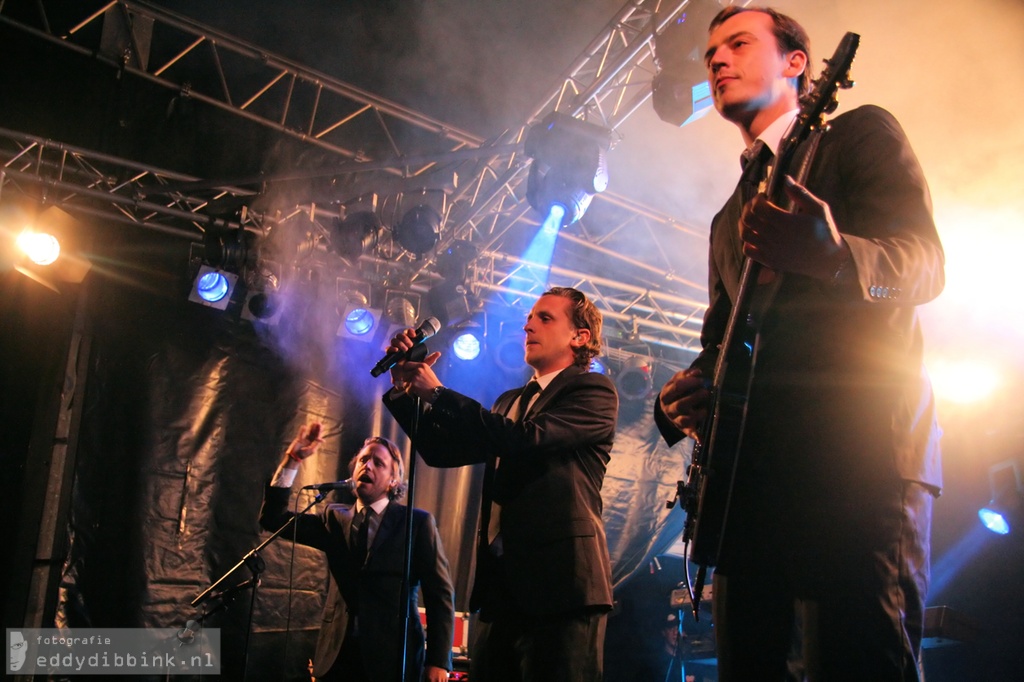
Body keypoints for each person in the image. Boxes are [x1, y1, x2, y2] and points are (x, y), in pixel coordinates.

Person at [653, 6, 944, 681]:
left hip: (861, 466)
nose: (717, 59)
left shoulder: (858, 135)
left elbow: (924, 262)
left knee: (863, 665)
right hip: (753, 489)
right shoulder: (729, 216)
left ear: (796, 63)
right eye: (710, 52)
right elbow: (720, 342)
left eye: (738, 43)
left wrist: (837, 255)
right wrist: (677, 402)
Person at [382, 286, 618, 682]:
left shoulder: (592, 390)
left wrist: (438, 393)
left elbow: (526, 439)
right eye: (529, 317)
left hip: (561, 589)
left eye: (545, 317)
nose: (529, 324)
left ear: (580, 337)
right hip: (500, 592)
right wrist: (406, 391)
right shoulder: (508, 401)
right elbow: (442, 451)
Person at [259, 427, 455, 682]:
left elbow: (439, 593)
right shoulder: (334, 517)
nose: (368, 466)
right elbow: (274, 520)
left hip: (393, 657)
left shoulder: (416, 523)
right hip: (337, 655)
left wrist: (439, 661)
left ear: (394, 480)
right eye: (363, 460)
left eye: (378, 462)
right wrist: (292, 460)